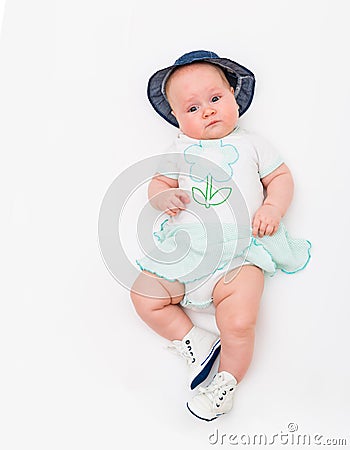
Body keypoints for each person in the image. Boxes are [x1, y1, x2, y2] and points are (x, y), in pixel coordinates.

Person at [130, 50, 311, 421]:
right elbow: (158, 184)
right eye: (193, 108)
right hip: (188, 253)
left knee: (240, 322)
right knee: (143, 294)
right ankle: (193, 339)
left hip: (240, 254)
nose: (208, 111)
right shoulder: (178, 150)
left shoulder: (253, 144)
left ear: (232, 95)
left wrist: (272, 208)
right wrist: (165, 196)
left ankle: (225, 382)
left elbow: (280, 178)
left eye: (215, 99)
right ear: (177, 118)